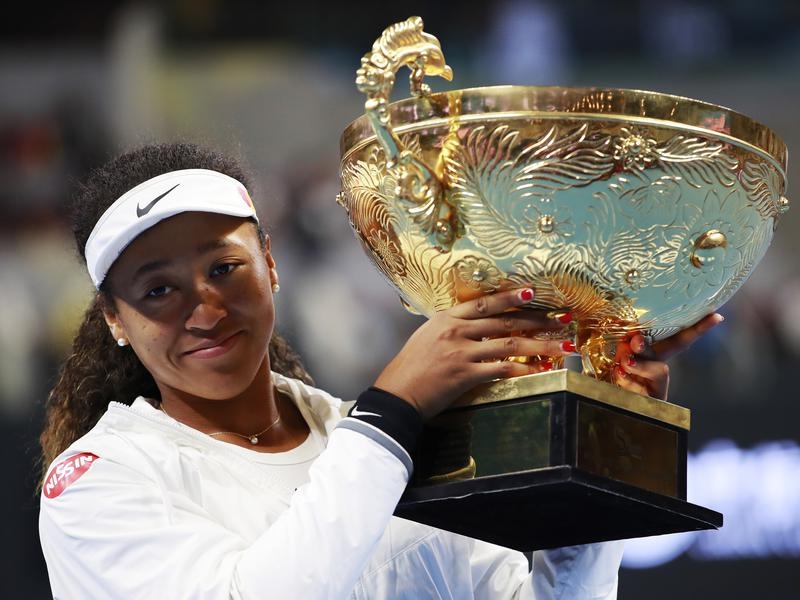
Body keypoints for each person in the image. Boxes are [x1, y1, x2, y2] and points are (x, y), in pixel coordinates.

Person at [38, 142, 722, 599]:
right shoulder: (98, 483)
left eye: (224, 268)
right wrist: (393, 412)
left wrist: (598, 440)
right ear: (115, 320)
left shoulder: (372, 445)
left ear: (270, 265)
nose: (205, 309)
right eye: (158, 290)